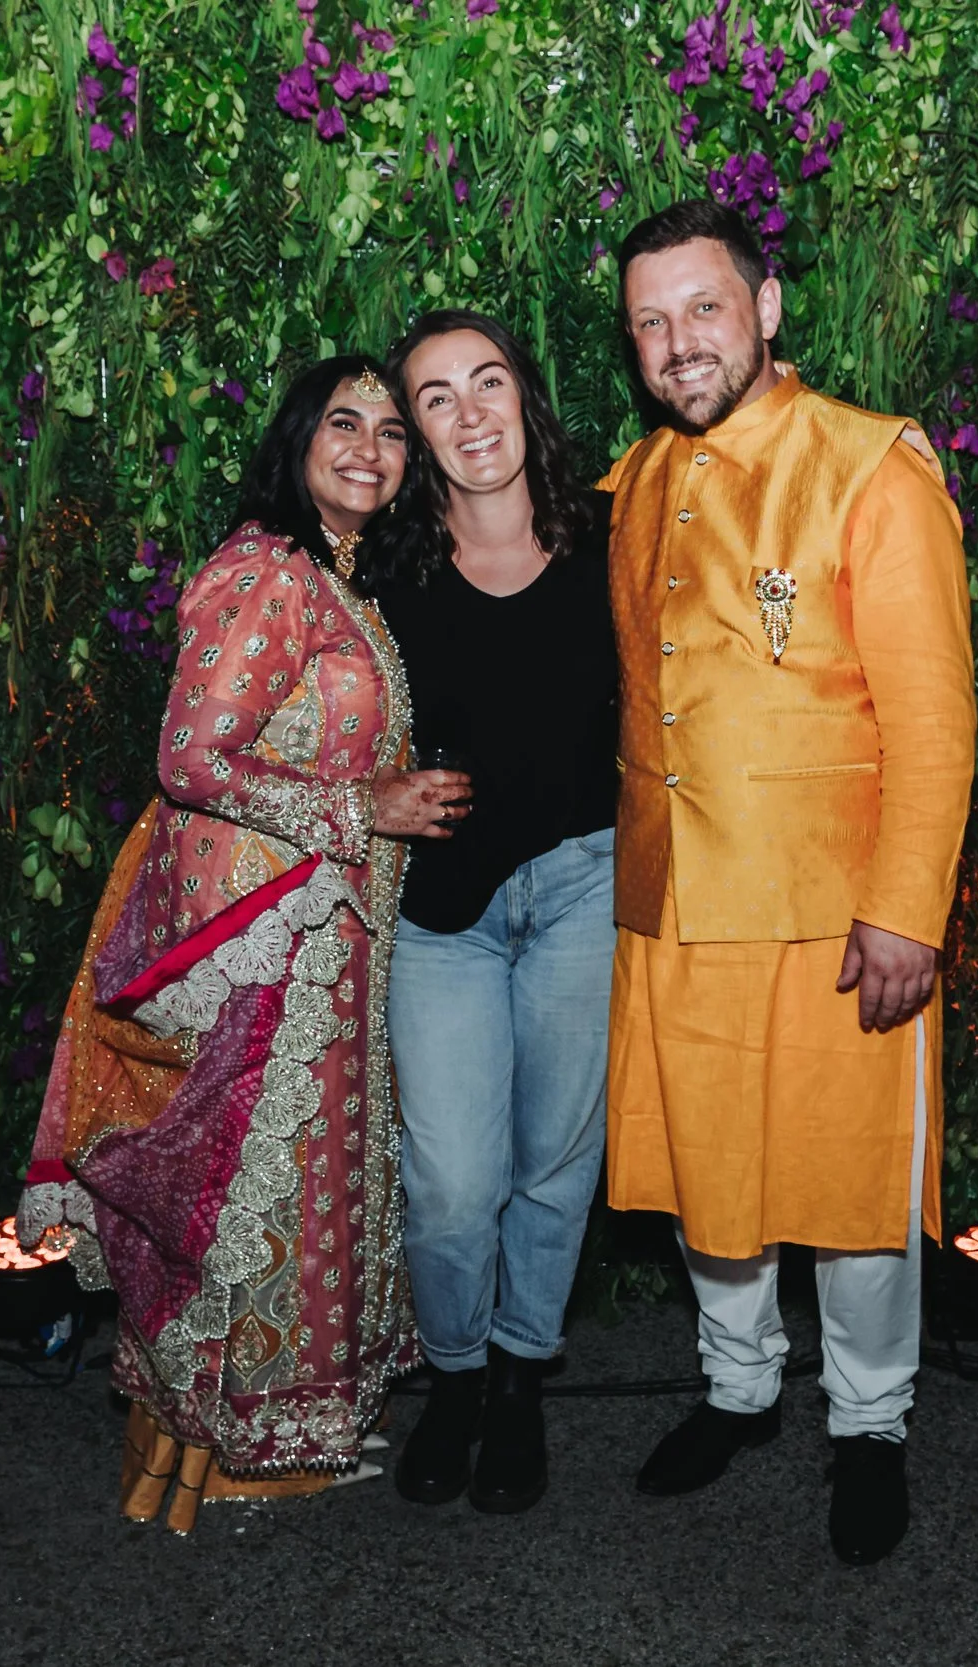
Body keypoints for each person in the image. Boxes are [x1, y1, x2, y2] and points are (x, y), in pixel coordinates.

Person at [16, 357, 467, 1532]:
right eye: (342, 423)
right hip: (268, 938)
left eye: (389, 430)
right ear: (297, 440)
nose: (369, 446)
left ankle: (285, 1425)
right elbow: (192, 762)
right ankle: (231, 1443)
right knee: (254, 1192)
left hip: (323, 937)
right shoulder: (271, 572)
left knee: (303, 1191)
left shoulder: (338, 579)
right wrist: (361, 809)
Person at [599, 200, 977, 1567]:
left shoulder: (871, 467)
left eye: (703, 307)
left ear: (767, 308)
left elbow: (934, 717)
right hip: (680, 905)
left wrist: (907, 910)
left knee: (850, 1189)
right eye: (649, 319)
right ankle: (740, 1386)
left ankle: (871, 1422)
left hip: (835, 918)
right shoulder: (637, 482)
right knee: (716, 1176)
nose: (676, 340)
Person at [361, 311, 619, 1514]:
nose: (470, 415)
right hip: (445, 909)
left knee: (557, 1160)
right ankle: (454, 1375)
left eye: (487, 382)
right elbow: (288, 709)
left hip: (583, 881)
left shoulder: (616, 539)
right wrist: (367, 796)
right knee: (455, 1177)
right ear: (413, 434)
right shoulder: (382, 576)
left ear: (527, 393)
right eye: (435, 398)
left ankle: (519, 1377)